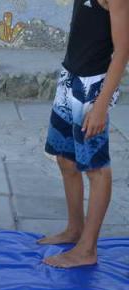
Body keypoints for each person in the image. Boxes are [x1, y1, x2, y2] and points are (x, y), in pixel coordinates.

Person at [39, 0, 129, 268]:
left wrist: (100, 105)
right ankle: (74, 229)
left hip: (92, 88)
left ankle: (87, 249)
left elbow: (123, 50)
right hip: (70, 78)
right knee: (65, 159)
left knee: (96, 168)